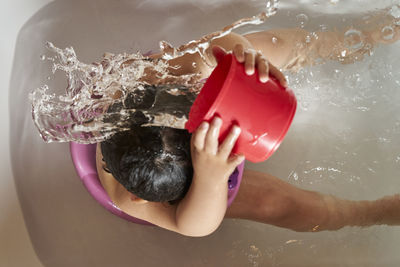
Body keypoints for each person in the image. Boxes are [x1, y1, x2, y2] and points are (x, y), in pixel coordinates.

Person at [96, 21, 400, 237]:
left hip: (182, 110)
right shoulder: (129, 197)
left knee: (267, 48)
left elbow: (213, 45)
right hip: (203, 187)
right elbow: (193, 226)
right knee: (276, 204)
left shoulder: (151, 78)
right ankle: (370, 212)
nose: (215, 140)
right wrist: (210, 177)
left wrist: (243, 56)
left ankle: (361, 37)